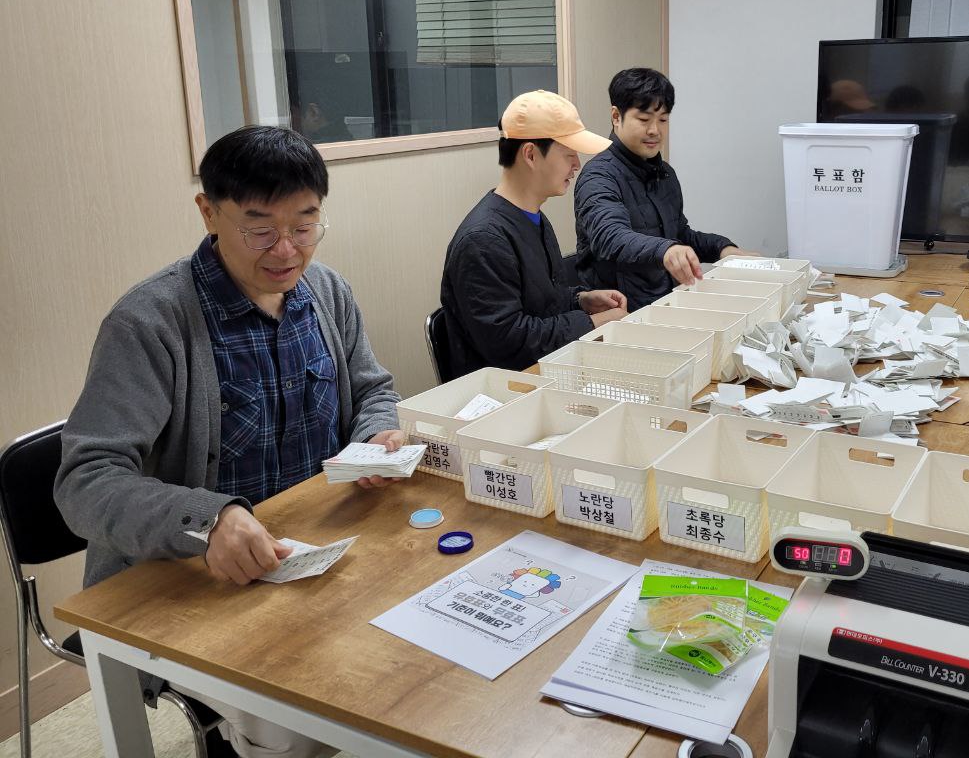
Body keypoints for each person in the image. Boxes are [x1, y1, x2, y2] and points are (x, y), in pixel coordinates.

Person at [55, 125, 403, 758]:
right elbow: (85, 480)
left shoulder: (326, 293)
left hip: (313, 552)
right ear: (208, 212)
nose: (287, 250)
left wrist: (376, 435)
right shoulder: (150, 323)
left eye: (305, 224)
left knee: (407, 666)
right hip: (195, 580)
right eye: (259, 228)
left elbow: (373, 388)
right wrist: (208, 520)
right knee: (292, 729)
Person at [440, 90, 626, 377]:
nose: (577, 165)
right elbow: (510, 342)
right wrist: (593, 323)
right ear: (530, 155)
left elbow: (540, 301)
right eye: (569, 154)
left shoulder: (533, 218)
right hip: (505, 389)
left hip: (547, 374)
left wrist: (581, 300)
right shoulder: (483, 240)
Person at [573, 67, 746, 309]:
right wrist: (667, 250)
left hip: (665, 303)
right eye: (644, 120)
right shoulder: (599, 175)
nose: (655, 130)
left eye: (663, 119)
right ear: (616, 116)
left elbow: (680, 235)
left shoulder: (664, 173)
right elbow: (610, 236)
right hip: (621, 312)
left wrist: (723, 248)